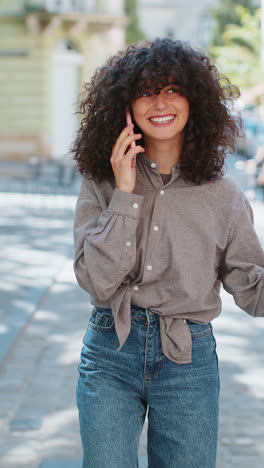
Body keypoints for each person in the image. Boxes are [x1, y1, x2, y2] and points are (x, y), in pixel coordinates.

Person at [72, 38, 264, 468]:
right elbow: (96, 280)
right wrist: (124, 194)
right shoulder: (101, 182)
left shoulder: (224, 196)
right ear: (125, 106)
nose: (160, 102)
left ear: (195, 101)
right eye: (146, 90)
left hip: (188, 360)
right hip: (109, 350)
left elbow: (253, 293)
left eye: (173, 89)